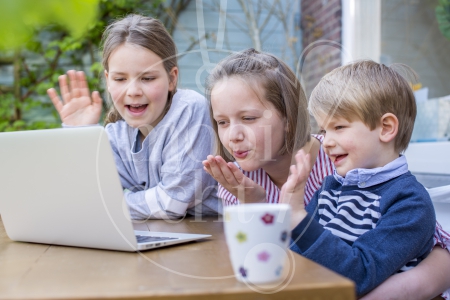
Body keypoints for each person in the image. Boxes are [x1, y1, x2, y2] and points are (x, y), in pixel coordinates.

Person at [202, 49, 450, 299]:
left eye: (248, 117)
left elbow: (363, 270)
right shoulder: (334, 185)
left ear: (289, 118)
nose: (233, 135)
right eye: (222, 122)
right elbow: (289, 258)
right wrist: (256, 205)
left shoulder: (383, 186)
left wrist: (297, 217)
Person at [279, 60, 436, 296]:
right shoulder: (329, 189)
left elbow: (358, 275)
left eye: (339, 127)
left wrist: (298, 218)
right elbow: (295, 257)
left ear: (385, 128)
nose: (327, 141)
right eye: (323, 130)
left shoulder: (409, 203)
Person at [47, 14, 219, 220]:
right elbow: (82, 196)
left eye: (147, 78)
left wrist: (111, 204)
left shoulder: (188, 110)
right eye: (120, 79)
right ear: (108, 81)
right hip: (160, 234)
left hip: (216, 235)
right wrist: (80, 134)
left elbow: (172, 203)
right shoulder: (117, 133)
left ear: (172, 78)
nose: (133, 91)